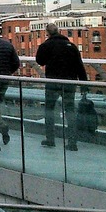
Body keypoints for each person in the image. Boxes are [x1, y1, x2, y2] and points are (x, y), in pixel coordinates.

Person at [35, 22, 88, 151]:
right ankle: (72, 142)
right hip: (69, 83)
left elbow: (40, 61)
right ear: (59, 31)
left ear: (47, 33)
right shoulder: (71, 46)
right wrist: (84, 85)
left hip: (53, 82)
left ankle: (50, 139)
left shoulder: (46, 45)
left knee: (49, 110)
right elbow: (79, 66)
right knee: (70, 111)